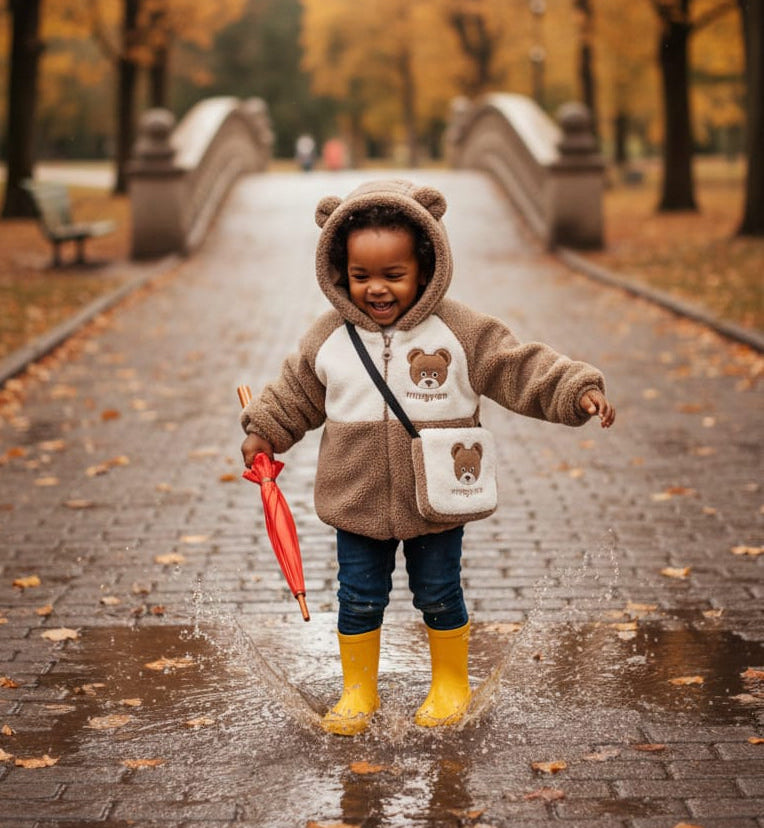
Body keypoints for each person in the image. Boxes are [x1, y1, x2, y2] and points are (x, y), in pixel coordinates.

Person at [240, 179, 615, 736]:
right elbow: (295, 393)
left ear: (425, 266)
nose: (377, 289)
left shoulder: (460, 330)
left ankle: (450, 684)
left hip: (437, 495)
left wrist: (574, 389)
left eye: (393, 275)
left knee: (438, 592)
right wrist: (265, 431)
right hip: (357, 497)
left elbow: (517, 366)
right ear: (340, 272)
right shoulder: (329, 337)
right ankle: (358, 691)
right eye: (362, 276)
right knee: (358, 596)